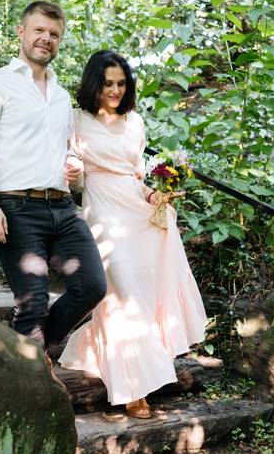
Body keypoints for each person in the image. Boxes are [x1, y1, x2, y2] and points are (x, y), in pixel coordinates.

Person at [58, 50, 208, 418]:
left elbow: (137, 173)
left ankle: (118, 361)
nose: (115, 90)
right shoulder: (75, 120)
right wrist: (72, 174)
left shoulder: (134, 122)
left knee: (138, 292)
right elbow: (68, 174)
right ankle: (133, 387)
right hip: (103, 209)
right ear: (94, 83)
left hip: (137, 210)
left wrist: (155, 194)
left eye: (121, 83)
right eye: (108, 83)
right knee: (121, 290)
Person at [0, 1, 106, 351]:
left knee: (92, 287)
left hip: (62, 208)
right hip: (15, 209)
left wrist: (75, 169)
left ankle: (32, 358)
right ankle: (36, 379)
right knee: (33, 306)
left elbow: (68, 151)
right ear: (21, 32)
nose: (46, 39)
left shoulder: (60, 96)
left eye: (54, 34)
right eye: (39, 30)